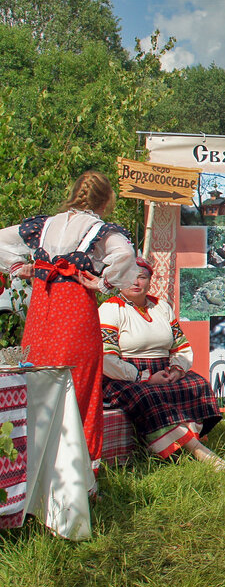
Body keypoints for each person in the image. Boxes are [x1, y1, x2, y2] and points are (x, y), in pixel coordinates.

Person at [0, 171, 138, 469]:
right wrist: (103, 284)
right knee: (80, 388)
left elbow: (0, 239)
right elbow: (125, 255)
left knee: (38, 383)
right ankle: (80, 475)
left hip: (41, 313)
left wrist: (17, 266)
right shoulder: (100, 230)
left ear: (74, 192)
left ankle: (37, 473)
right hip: (76, 314)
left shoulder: (44, 225)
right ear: (107, 199)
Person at [99, 258, 225, 469]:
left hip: (164, 370)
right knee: (149, 395)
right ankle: (200, 453)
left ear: (150, 281)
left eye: (141, 277)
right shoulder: (110, 309)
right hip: (124, 375)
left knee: (197, 384)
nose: (135, 282)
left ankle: (181, 448)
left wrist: (177, 369)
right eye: (129, 277)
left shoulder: (161, 307)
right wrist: (144, 378)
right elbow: (107, 358)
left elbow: (181, 346)